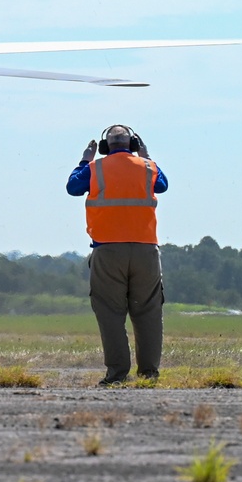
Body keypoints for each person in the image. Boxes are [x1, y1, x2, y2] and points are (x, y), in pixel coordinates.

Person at [66, 125, 168, 386]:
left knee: (110, 312)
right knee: (148, 311)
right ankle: (148, 374)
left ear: (104, 146)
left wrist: (85, 159)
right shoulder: (146, 167)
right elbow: (163, 185)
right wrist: (146, 157)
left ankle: (117, 374)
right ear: (132, 144)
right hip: (146, 250)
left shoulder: (94, 169)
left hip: (108, 250)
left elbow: (73, 188)